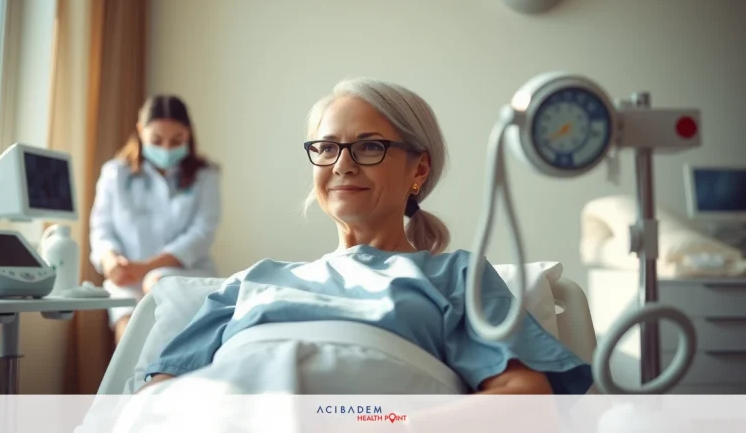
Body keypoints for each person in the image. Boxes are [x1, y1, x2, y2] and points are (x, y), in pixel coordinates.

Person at [141, 78, 593, 395]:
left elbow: (524, 395)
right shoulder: (249, 283)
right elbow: (157, 397)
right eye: (326, 147)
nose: (342, 164)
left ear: (419, 168)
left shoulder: (456, 278)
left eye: (369, 146)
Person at [89, 95, 221, 344]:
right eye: (157, 140)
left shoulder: (205, 175)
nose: (167, 149)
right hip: (127, 277)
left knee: (158, 284)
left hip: (186, 271)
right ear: (140, 132)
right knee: (129, 336)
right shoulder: (115, 173)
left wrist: (146, 267)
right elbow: (101, 229)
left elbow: (201, 234)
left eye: (176, 140)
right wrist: (110, 261)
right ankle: (133, 382)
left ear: (188, 135)